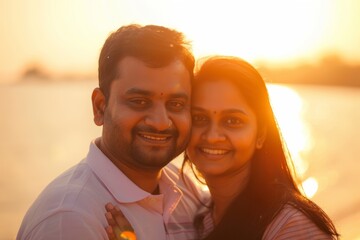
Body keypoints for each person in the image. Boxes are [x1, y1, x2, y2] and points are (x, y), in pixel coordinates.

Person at [106, 56, 339, 239]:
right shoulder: (197, 213)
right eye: (199, 118)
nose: (213, 136)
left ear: (260, 134)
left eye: (232, 121)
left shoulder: (290, 227)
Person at [17, 24, 209, 240]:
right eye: (139, 101)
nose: (160, 123)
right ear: (100, 107)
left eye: (175, 104)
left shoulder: (183, 188)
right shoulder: (71, 219)